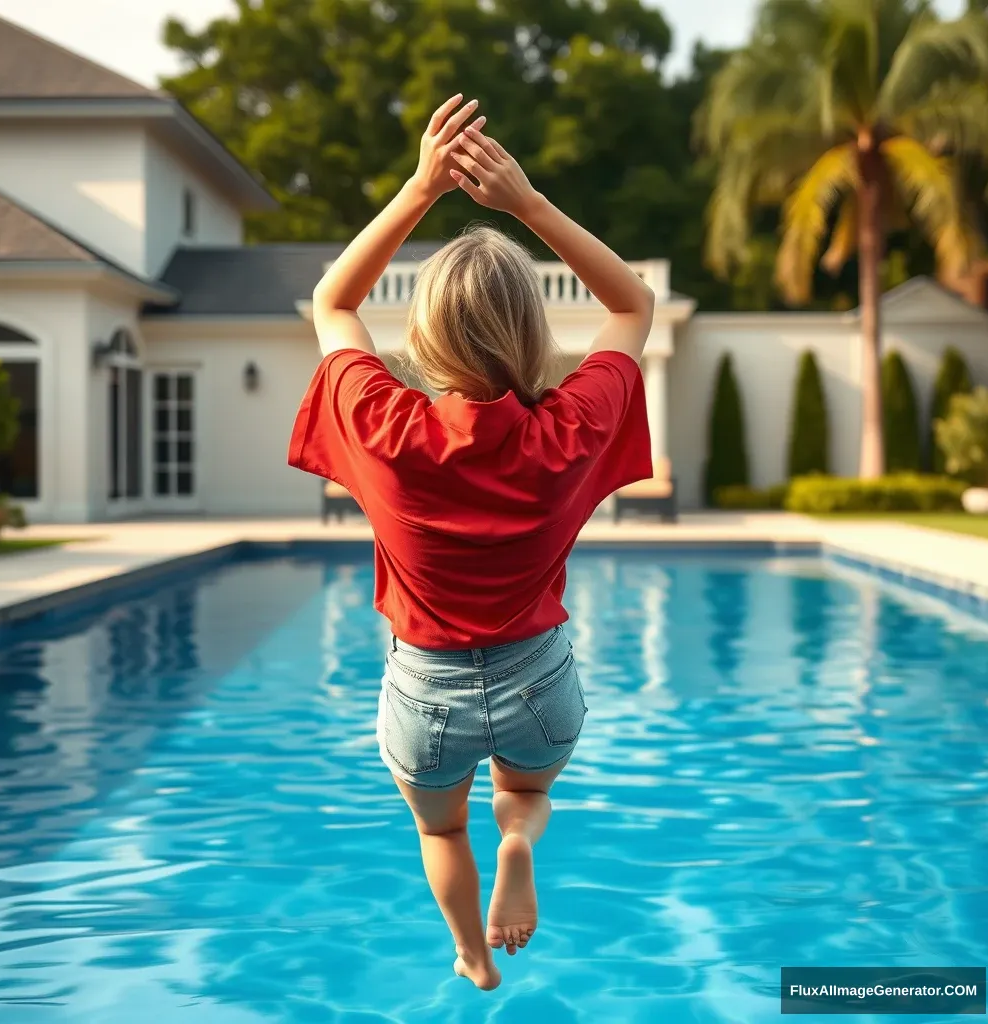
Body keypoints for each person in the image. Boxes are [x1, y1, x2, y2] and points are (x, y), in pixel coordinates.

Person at [288, 94, 654, 991]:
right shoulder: (566, 430)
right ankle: (520, 844)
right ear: (531, 334)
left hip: (427, 690)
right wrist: (525, 204)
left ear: (425, 335)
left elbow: (333, 298)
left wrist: (420, 188)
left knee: (441, 829)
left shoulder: (383, 425)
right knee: (524, 796)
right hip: (540, 679)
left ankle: (472, 956)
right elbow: (634, 304)